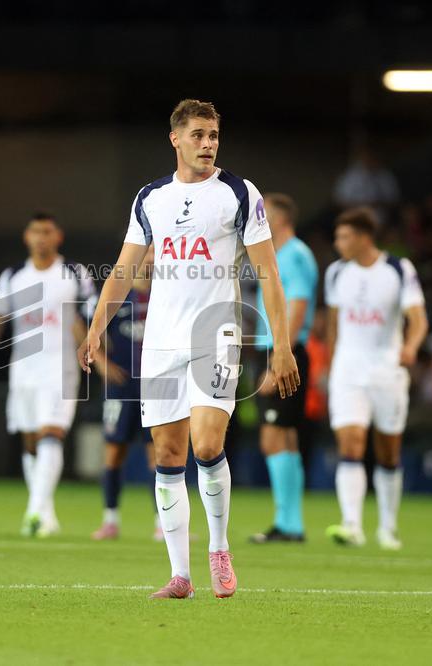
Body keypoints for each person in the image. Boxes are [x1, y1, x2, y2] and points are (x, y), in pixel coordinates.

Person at [79, 99, 299, 599]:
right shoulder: (149, 198)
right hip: (160, 340)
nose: (207, 144)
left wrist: (280, 347)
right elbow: (123, 271)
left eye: (214, 135)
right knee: (167, 455)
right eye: (198, 135)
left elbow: (269, 275)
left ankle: (218, 548)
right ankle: (180, 575)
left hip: (215, 333)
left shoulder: (240, 193)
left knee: (206, 445)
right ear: (174, 138)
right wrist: (95, 329)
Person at [0, 213, 95, 537]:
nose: (41, 237)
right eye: (35, 232)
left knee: (51, 433)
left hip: (61, 367)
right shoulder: (13, 275)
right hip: (24, 367)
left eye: (47, 231)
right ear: (26, 237)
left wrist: (90, 348)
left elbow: (84, 317)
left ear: (59, 236)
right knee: (30, 442)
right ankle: (45, 512)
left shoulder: (74, 273)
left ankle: (32, 512)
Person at [324, 207, 428, 550]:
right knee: (351, 443)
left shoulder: (398, 269)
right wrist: (331, 364)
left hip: (387, 370)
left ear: (364, 237)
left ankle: (388, 527)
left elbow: (418, 317)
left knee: (388, 451)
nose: (339, 243)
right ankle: (351, 524)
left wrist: (411, 346)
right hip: (348, 371)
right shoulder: (337, 272)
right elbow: (334, 324)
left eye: (344, 236)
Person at [248, 193, 318, 544]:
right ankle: (290, 523)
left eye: (265, 215)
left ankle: (288, 522)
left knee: (275, 435)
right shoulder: (279, 255)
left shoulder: (296, 255)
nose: (260, 221)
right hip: (275, 349)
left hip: (283, 351)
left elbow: (300, 306)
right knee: (284, 435)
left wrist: (280, 356)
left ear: (280, 219)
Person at [89, 263, 160, 541]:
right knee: (114, 452)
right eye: (146, 254)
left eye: (156, 254)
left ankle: (161, 523)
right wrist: (102, 364)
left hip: (157, 386)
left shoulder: (166, 295)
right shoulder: (118, 295)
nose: (150, 261)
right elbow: (87, 329)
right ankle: (110, 520)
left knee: (159, 453)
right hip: (121, 385)